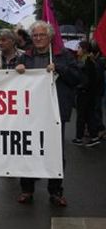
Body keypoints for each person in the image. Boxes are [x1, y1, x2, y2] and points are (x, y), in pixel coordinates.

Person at [15, 20, 80, 206]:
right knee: (27, 150)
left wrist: (59, 68)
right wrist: (16, 71)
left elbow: (77, 78)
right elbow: (12, 83)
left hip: (55, 113)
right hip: (30, 113)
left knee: (55, 153)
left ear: (50, 37)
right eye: (35, 35)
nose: (38, 38)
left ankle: (56, 191)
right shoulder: (25, 57)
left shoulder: (63, 55)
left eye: (42, 35)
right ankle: (26, 189)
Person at [72, 41, 101, 147]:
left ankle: (79, 137)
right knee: (89, 115)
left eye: (79, 48)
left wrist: (79, 87)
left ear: (84, 49)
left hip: (84, 93)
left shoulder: (86, 62)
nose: (77, 50)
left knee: (81, 116)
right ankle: (94, 136)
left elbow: (86, 80)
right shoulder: (89, 60)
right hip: (89, 93)